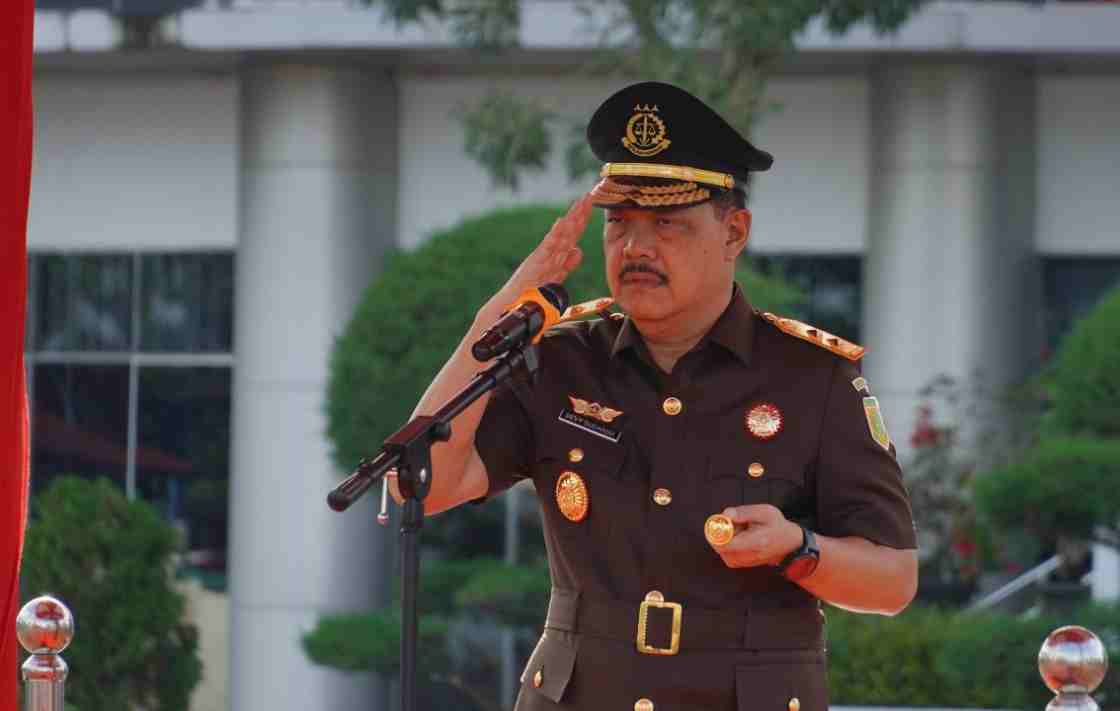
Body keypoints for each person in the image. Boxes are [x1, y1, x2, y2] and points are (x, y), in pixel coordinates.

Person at [398, 81, 918, 711]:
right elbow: (420, 486)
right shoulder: (559, 360)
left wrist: (797, 548)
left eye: (667, 223)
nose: (636, 248)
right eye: (619, 223)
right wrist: (497, 317)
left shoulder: (812, 378)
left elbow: (893, 581)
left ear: (734, 233)